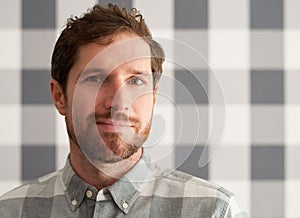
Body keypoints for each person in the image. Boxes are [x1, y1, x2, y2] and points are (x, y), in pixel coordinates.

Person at [0, 4, 247, 218]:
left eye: (136, 81)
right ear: (59, 96)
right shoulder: (10, 211)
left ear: (152, 97)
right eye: (96, 78)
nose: (119, 102)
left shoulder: (215, 211)